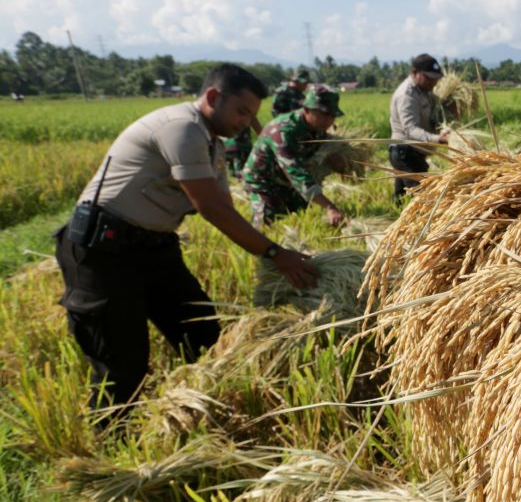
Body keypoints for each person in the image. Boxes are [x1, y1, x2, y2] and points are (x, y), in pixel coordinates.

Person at [55, 63, 317, 416]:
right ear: (212, 97)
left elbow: (225, 206)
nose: (245, 122)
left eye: (251, 114)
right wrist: (274, 252)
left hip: (154, 248)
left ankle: (198, 412)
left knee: (202, 333)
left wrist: (279, 247)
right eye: (241, 111)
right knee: (123, 361)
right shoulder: (181, 128)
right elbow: (210, 208)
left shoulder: (212, 145)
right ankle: (111, 446)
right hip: (104, 251)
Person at [242, 83, 348, 228]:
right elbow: (296, 173)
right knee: (268, 223)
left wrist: (335, 160)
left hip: (286, 181)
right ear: (306, 110)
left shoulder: (318, 128)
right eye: (324, 114)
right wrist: (330, 207)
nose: (329, 120)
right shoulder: (283, 131)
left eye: (332, 115)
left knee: (301, 215)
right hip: (263, 181)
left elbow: (318, 152)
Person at [388, 53, 448, 199]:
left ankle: (395, 217)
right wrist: (437, 139)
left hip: (413, 152)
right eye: (429, 78)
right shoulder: (407, 95)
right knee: (423, 196)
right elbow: (409, 129)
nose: (433, 82)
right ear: (415, 73)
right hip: (404, 153)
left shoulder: (424, 91)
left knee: (402, 197)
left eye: (435, 79)